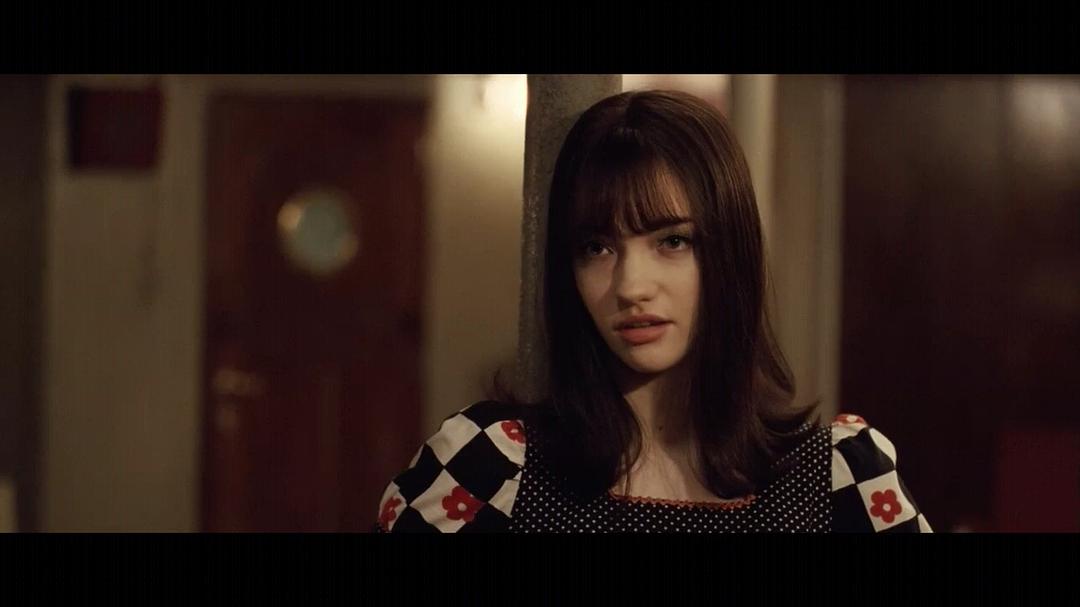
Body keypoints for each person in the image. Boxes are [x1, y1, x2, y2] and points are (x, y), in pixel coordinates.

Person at [374, 89, 931, 533]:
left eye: (671, 241)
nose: (631, 286)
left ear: (729, 253)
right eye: (597, 247)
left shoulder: (837, 480)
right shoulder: (489, 467)